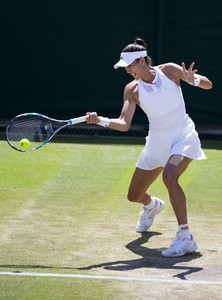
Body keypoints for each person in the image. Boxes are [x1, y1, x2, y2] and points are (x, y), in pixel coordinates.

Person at [86, 37, 213, 257]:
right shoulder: (132, 89)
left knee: (170, 177)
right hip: (156, 143)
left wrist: (193, 80)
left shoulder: (170, 71)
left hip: (183, 136)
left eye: (129, 66)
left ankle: (185, 238)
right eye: (125, 67)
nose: (127, 71)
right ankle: (152, 205)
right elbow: (124, 124)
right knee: (134, 195)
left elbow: (208, 84)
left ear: (142, 60)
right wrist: (101, 121)